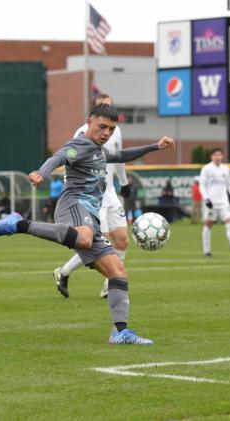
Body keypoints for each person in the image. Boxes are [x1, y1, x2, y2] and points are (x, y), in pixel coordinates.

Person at [0, 104, 176, 344]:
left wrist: (155, 146)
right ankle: (17, 224)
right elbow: (59, 157)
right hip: (73, 205)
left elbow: (121, 155)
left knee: (118, 272)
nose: (106, 132)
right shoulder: (80, 144)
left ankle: (120, 332)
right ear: (90, 121)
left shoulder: (98, 150)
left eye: (111, 129)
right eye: (102, 126)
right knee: (83, 239)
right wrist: (42, 173)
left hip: (90, 217)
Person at [53, 94, 131, 299]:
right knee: (99, 242)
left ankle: (108, 284)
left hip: (111, 192)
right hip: (91, 196)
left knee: (122, 241)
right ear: (93, 112)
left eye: (110, 106)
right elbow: (69, 166)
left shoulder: (117, 130)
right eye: (102, 107)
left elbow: (119, 157)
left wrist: (124, 182)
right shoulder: (82, 133)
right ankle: (65, 272)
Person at [199, 148, 230, 259]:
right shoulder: (206, 169)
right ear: (211, 157)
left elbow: (229, 185)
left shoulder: (225, 169)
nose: (217, 157)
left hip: (224, 202)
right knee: (208, 225)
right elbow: (202, 185)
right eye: (215, 155)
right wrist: (206, 199)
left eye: (219, 155)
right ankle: (206, 252)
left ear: (222, 156)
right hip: (211, 202)